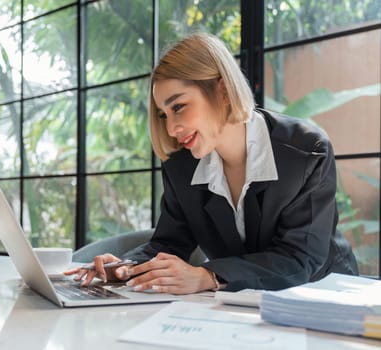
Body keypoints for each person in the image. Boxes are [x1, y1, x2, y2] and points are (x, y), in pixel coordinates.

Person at [65, 32, 358, 294]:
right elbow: (170, 243)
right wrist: (125, 268)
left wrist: (208, 276)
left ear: (221, 90)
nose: (171, 129)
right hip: (238, 305)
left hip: (323, 296)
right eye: (164, 114)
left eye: (178, 106)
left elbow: (299, 258)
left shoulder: (307, 151)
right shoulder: (183, 166)